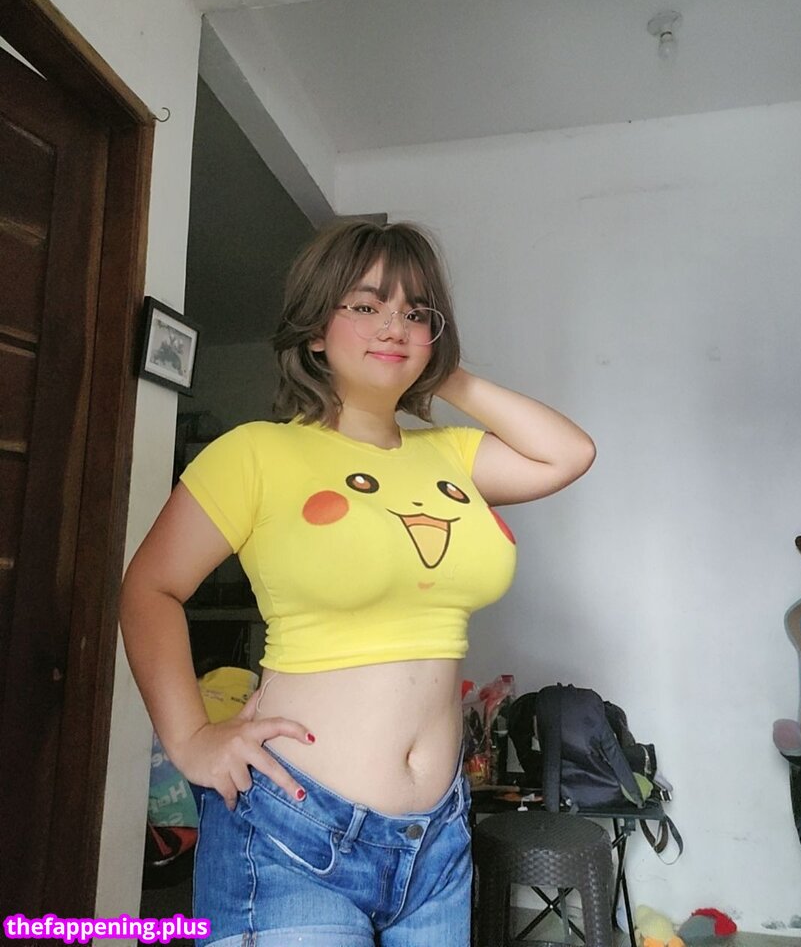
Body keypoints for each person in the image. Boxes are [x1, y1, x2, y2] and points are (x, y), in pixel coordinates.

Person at [120, 218, 596, 947]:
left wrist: (441, 370)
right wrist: (189, 738)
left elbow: (568, 453)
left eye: (416, 312)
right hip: (293, 831)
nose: (394, 325)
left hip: (436, 842)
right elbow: (149, 587)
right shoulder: (257, 453)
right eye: (367, 305)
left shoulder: (452, 455)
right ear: (316, 330)